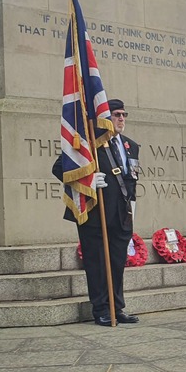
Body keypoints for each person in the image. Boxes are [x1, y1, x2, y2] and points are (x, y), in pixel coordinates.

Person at [52, 99, 140, 326]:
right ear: (104, 117)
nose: (121, 119)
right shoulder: (88, 145)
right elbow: (60, 167)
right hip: (95, 213)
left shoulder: (130, 145)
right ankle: (101, 309)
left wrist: (133, 207)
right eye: (116, 114)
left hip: (121, 214)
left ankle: (117, 307)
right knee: (98, 263)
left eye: (124, 114)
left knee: (117, 263)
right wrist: (88, 180)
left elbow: (131, 180)